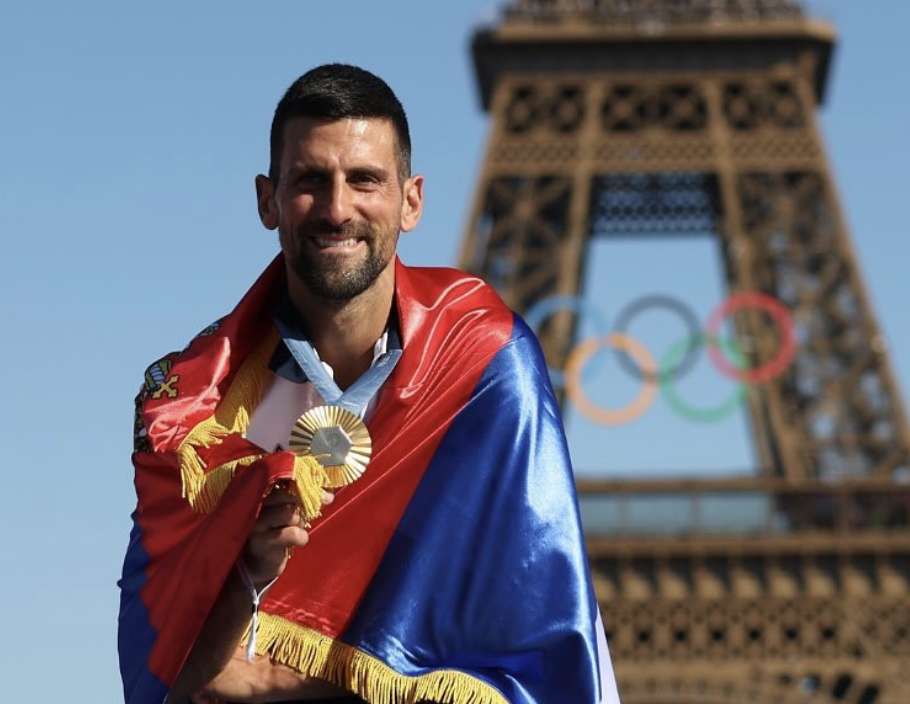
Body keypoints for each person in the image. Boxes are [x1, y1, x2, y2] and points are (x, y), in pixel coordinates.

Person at [118, 63, 621, 704]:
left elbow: (542, 656)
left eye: (364, 180)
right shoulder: (188, 405)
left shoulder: (488, 367)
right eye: (309, 181)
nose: (337, 208)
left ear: (411, 200)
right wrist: (245, 567)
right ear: (266, 200)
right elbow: (160, 674)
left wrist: (274, 677)